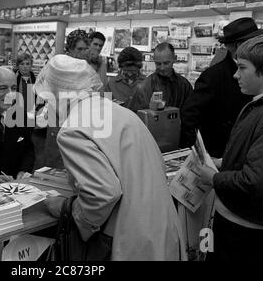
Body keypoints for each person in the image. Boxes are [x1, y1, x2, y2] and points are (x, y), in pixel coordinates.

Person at [35, 55, 184, 260]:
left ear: (57, 95)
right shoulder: (121, 112)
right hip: (162, 226)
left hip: (130, 236)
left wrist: (65, 208)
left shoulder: (73, 129)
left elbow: (102, 194)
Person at [192, 34, 263, 261]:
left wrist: (214, 178)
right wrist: (224, 162)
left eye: (242, 67)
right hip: (236, 216)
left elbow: (256, 181)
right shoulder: (262, 105)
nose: (235, 74)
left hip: (244, 226)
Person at [180, 18, 263, 158]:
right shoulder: (213, 76)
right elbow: (189, 116)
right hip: (219, 155)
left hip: (250, 151)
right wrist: (199, 155)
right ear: (238, 46)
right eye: (253, 42)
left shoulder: (260, 70)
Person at [131, 42, 192, 111]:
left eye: (166, 63)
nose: (162, 68)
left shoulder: (184, 85)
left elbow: (191, 113)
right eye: (158, 64)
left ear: (174, 59)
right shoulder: (144, 87)